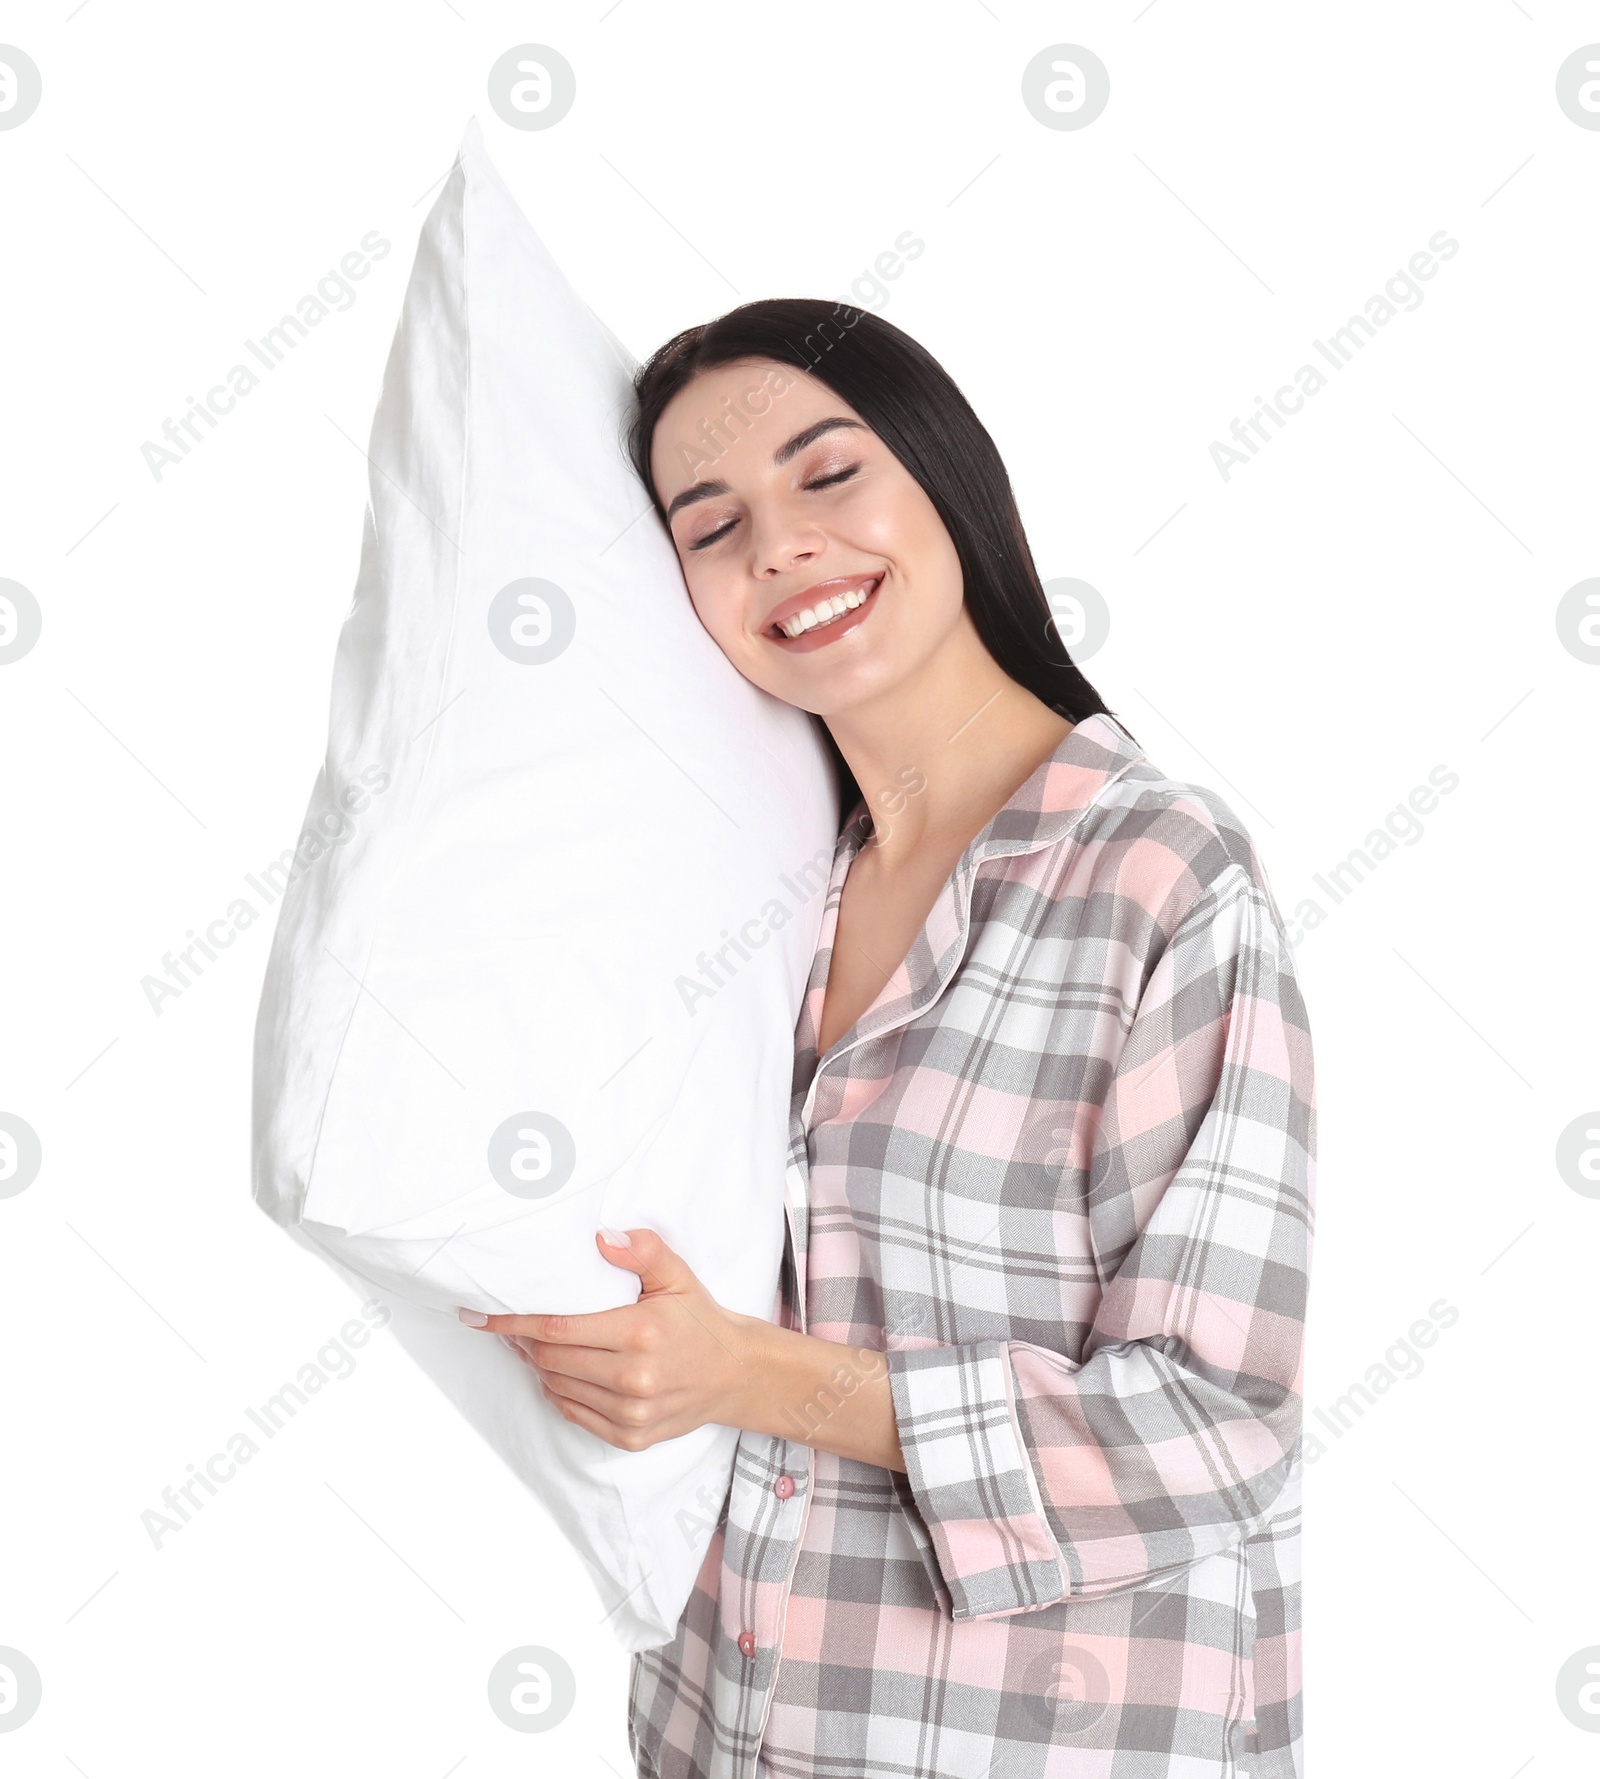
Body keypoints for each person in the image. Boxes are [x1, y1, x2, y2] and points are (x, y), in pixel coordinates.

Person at [461, 300, 1316, 1778]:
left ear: (949, 480)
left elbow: (1217, 1423)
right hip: (730, 1724)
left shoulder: (1161, 877)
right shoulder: (755, 892)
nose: (778, 546)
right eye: (710, 524)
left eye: (829, 473)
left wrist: (747, 1375)